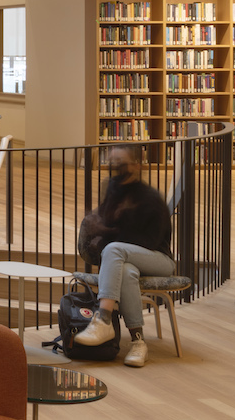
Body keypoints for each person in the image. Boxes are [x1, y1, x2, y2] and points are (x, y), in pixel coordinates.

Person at [74, 144, 175, 367]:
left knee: (114, 249)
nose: (115, 167)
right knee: (127, 272)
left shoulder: (150, 199)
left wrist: (111, 232)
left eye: (120, 162)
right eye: (112, 162)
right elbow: (103, 222)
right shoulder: (112, 189)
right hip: (127, 260)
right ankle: (139, 342)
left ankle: (103, 319)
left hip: (158, 258)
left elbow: (149, 241)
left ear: (136, 166)